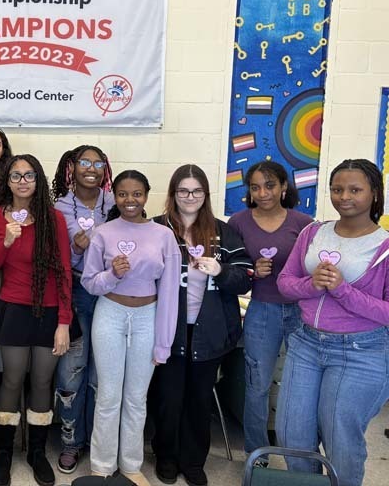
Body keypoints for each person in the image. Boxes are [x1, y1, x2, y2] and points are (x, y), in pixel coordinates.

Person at [276, 159, 389, 486]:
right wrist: (310, 285)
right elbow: (286, 283)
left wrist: (343, 291)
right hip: (306, 343)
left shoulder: (383, 246)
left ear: (374, 193)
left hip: (361, 351)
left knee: (340, 438)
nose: (344, 197)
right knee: (292, 433)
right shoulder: (314, 232)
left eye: (355, 189)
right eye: (337, 189)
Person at [150, 164, 252, 486]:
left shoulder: (224, 232)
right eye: (183, 191)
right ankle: (166, 456)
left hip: (209, 331)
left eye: (196, 191)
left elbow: (243, 280)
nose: (189, 197)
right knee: (167, 398)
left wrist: (220, 271)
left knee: (199, 399)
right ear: (173, 194)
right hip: (168, 329)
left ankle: (193, 461)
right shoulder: (156, 229)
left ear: (205, 195)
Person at [82, 170, 181, 486]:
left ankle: (130, 464)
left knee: (137, 397)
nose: (130, 200)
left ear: (146, 196)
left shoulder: (163, 236)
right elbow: (89, 283)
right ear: (115, 197)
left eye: (137, 193)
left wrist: (163, 342)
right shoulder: (103, 233)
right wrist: (112, 274)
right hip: (110, 313)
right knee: (109, 395)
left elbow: (169, 292)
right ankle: (101, 465)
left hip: (146, 318)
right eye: (123, 194)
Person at [0, 154, 72, 486]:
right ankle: (2, 452)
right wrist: (6, 241)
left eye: (30, 175)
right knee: (12, 379)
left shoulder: (54, 219)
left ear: (38, 180)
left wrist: (64, 321)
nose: (23, 181)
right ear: (6, 181)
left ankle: (37, 452)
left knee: (42, 382)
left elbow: (63, 271)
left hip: (49, 311)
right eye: (16, 175)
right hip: (14, 307)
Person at [227, 160, 312, 459]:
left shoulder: (303, 224)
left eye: (270, 185)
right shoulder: (238, 222)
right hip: (262, 310)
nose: (262, 193)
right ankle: (256, 454)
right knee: (257, 385)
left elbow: (313, 268)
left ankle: (301, 456)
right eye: (255, 187)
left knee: (301, 387)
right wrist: (252, 272)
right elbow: (231, 267)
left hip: (300, 313)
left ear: (284, 187)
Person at [51, 144, 115, 473]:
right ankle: (70, 441)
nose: (91, 168)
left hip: (109, 296)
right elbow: (57, 260)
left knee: (100, 375)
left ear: (105, 168)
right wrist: (77, 249)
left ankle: (98, 441)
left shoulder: (116, 204)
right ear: (72, 168)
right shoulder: (60, 207)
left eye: (98, 163)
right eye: (84, 162)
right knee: (72, 373)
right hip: (74, 292)